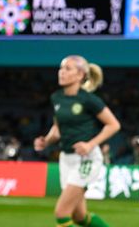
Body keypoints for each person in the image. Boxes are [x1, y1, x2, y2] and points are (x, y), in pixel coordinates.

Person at [34, 55, 121, 227]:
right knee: (79, 216)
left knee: (62, 214)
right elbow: (57, 129)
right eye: (61, 68)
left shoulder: (88, 99)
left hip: (86, 159)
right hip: (66, 159)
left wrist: (90, 144)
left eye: (68, 69)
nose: (62, 72)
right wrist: (46, 141)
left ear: (80, 75)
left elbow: (113, 125)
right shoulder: (57, 98)